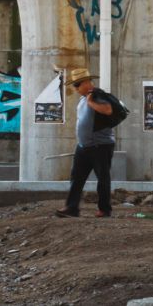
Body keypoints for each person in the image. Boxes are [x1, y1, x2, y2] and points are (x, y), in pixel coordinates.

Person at [55, 68, 115, 218]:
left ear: (87, 83)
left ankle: (104, 209)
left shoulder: (97, 95)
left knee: (102, 178)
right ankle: (72, 208)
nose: (75, 88)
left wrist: (90, 102)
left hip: (100, 145)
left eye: (77, 84)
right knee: (76, 177)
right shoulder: (83, 98)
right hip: (84, 146)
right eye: (74, 85)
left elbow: (108, 110)